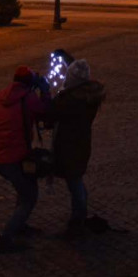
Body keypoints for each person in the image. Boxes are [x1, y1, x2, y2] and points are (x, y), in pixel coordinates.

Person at [0, 66, 51, 254]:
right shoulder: (28, 98)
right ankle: (5, 238)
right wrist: (45, 91)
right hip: (12, 156)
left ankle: (20, 225)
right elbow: (45, 111)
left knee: (23, 186)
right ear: (29, 84)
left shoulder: (2, 95)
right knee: (30, 196)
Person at [45, 59, 106, 239]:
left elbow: (51, 114)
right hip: (81, 143)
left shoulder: (69, 100)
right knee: (76, 180)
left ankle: (77, 222)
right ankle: (78, 218)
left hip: (68, 145)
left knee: (75, 182)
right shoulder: (88, 97)